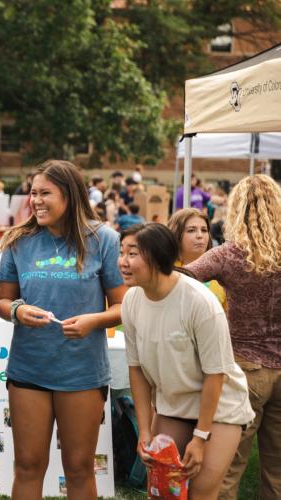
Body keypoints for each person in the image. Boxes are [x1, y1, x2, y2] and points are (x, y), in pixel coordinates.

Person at [0, 159, 125, 499]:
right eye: (33, 193)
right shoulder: (18, 241)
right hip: (29, 369)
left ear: (69, 195)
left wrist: (92, 321)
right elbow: (3, 302)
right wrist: (19, 311)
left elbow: (123, 307)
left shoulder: (104, 240)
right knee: (27, 464)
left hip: (81, 372)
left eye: (45, 193)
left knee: (80, 467)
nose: (36, 200)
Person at [119, 223, 254, 499]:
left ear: (157, 257)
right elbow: (137, 370)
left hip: (220, 409)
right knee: (160, 491)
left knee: (201, 492)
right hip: (174, 406)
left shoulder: (199, 302)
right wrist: (144, 430)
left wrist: (201, 437)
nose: (123, 262)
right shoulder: (131, 301)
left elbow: (215, 375)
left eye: (132, 254)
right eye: (121, 253)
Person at [185, 175, 281, 499]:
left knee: (227, 468)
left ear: (237, 208)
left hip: (243, 370)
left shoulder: (228, 254)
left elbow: (182, 279)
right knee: (278, 471)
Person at [167, 208, 226, 309]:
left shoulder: (221, 272)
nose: (200, 236)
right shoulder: (164, 273)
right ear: (176, 234)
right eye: (191, 230)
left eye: (204, 230)